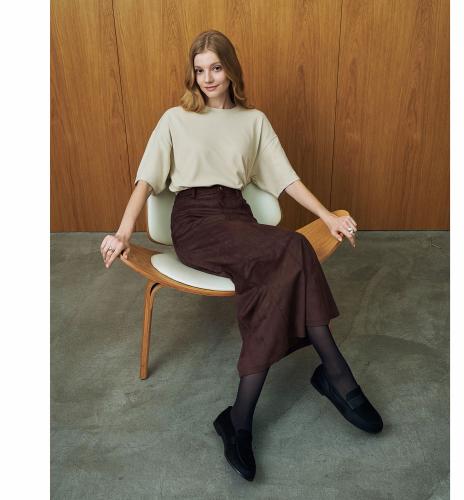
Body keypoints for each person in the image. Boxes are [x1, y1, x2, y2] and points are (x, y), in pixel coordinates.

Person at [99, 30, 383, 482]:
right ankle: (336, 375)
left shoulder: (254, 121)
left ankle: (240, 418)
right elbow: (146, 179)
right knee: (292, 248)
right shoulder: (175, 118)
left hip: (237, 215)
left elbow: (286, 178)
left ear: (230, 69)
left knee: (280, 266)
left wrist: (326, 215)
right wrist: (123, 231)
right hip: (195, 221)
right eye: (199, 70)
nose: (208, 78)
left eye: (216, 67)